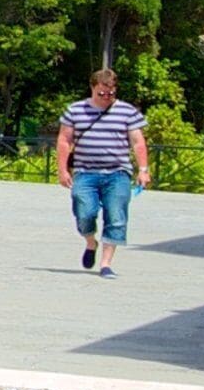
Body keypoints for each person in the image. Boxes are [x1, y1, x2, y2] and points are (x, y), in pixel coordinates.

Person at [56, 64, 152, 276]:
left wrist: (143, 169)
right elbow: (64, 140)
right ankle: (91, 242)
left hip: (118, 173)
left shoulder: (127, 111)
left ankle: (106, 264)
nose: (106, 96)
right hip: (85, 171)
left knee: (116, 217)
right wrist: (62, 170)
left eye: (111, 93)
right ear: (92, 88)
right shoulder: (75, 110)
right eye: (102, 93)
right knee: (84, 213)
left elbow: (138, 142)